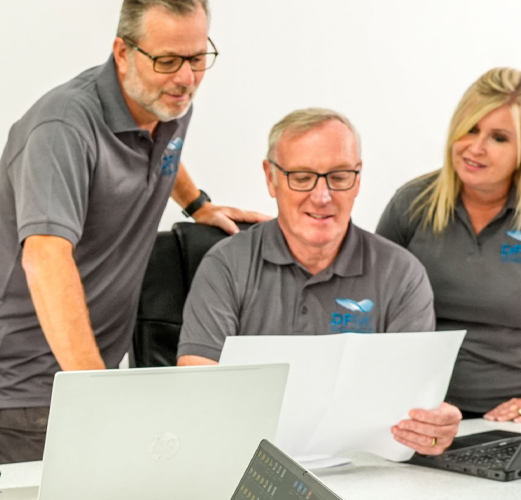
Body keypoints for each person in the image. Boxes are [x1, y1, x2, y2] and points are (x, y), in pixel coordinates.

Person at [0, 0, 268, 464]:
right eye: (167, 61)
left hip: (90, 371)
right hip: (27, 386)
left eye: (198, 58)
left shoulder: (164, 101)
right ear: (123, 53)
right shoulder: (62, 128)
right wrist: (100, 396)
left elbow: (164, 147)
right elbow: (46, 258)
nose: (185, 78)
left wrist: (196, 203)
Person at [174, 108, 459, 455]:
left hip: (365, 473)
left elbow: (409, 408)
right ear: (271, 177)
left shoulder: (401, 274)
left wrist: (430, 428)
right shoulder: (226, 265)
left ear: (358, 178)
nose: (322, 196)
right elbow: (197, 394)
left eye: (339, 177)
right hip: (245, 466)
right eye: (302, 177)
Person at [375, 67, 521, 423]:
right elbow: (373, 298)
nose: (476, 147)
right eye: (470, 129)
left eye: (499, 138)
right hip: (423, 414)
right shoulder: (412, 203)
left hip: (517, 418)